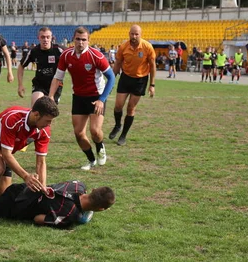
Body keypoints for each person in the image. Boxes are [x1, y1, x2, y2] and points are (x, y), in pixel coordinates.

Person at [0, 97, 60, 230]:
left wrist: (42, 188)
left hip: (4, 148)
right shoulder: (13, 118)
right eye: (47, 121)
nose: (49, 125)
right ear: (36, 115)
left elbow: (41, 162)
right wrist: (26, 176)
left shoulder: (44, 131)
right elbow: (6, 155)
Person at [48, 26, 115, 171]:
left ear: (88, 41)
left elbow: (111, 77)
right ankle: (91, 160)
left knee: (95, 131)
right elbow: (58, 77)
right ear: (73, 39)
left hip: (96, 95)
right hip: (78, 97)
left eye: (84, 40)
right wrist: (51, 96)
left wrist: (101, 99)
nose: (80, 42)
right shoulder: (66, 55)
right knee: (79, 133)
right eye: (78, 39)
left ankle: (100, 146)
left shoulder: (96, 56)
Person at [109, 24, 156, 146]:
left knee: (130, 108)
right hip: (125, 77)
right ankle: (118, 125)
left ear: (141, 35)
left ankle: (123, 135)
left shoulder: (147, 47)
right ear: (129, 34)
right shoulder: (123, 46)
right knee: (118, 105)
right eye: (132, 34)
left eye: (136, 34)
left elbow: (152, 66)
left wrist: (152, 84)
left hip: (140, 80)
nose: (134, 36)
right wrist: (111, 80)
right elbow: (118, 63)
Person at [17, 26, 64, 106]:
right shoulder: (34, 51)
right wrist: (20, 84)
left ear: (51, 38)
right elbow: (21, 66)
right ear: (38, 38)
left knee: (48, 113)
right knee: (36, 107)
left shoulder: (59, 50)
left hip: (55, 85)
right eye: (42, 37)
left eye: (47, 37)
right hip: (39, 85)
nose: (45, 39)